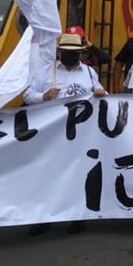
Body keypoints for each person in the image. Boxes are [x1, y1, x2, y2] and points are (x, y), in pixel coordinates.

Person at [24, 32, 106, 235]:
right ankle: (43, 217)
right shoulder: (44, 72)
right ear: (59, 52)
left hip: (80, 134)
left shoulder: (88, 72)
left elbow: (102, 92)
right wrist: (43, 96)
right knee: (47, 176)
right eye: (66, 52)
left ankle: (75, 216)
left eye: (74, 53)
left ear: (80, 53)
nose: (70, 56)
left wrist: (99, 92)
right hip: (50, 136)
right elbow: (27, 96)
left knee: (76, 175)